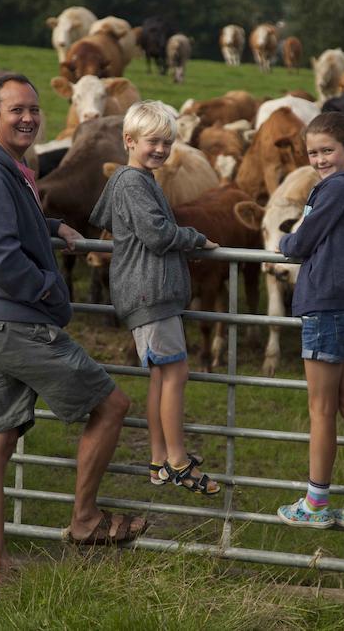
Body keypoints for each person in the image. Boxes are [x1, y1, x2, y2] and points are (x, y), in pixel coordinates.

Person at [0, 74, 147, 587]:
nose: (28, 118)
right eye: (16, 110)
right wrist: (50, 290)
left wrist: (53, 226)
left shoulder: (0, 165)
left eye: (34, 110)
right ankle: (85, 520)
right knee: (112, 406)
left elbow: (10, 225)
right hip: (15, 321)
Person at [89, 100, 222, 496]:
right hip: (150, 291)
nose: (161, 150)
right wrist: (195, 239)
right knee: (175, 374)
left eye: (167, 143)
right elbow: (157, 234)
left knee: (162, 376)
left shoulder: (134, 180)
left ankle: (159, 459)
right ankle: (177, 460)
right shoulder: (132, 182)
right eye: (153, 142)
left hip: (148, 291)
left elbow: (112, 221)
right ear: (129, 141)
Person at [274, 112, 344, 535]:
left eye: (328, 150)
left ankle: (315, 502)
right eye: (313, 153)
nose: (320, 159)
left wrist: (283, 241)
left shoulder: (337, 188)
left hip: (326, 306)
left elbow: (300, 242)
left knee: (321, 409)